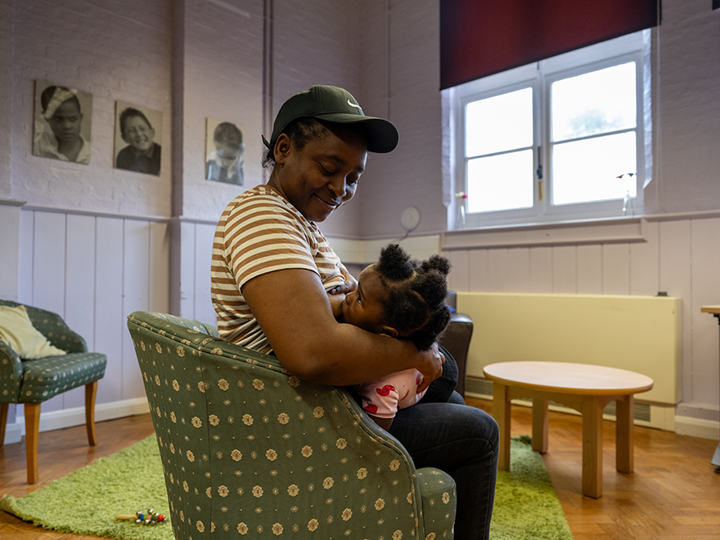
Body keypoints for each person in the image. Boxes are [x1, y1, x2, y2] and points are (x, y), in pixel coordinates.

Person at [211, 84, 498, 540]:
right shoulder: (263, 217)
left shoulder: (302, 225)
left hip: (330, 402)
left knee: (450, 389)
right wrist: (413, 356)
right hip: (300, 419)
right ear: (283, 148)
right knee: (479, 431)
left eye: (354, 178)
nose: (341, 188)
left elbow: (352, 306)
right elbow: (314, 353)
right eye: (330, 168)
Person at [339, 243, 455, 431]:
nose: (348, 297)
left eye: (359, 298)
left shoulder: (380, 387)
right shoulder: (409, 340)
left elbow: (377, 439)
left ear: (386, 334)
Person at [34, 85, 91, 164]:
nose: (67, 126)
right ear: (46, 117)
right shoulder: (38, 146)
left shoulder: (93, 152)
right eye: (58, 119)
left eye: (73, 119)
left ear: (80, 117)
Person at [115, 107, 161, 175]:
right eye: (131, 131)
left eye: (142, 128)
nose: (139, 134)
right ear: (124, 138)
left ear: (152, 132)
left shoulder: (161, 154)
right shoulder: (123, 156)